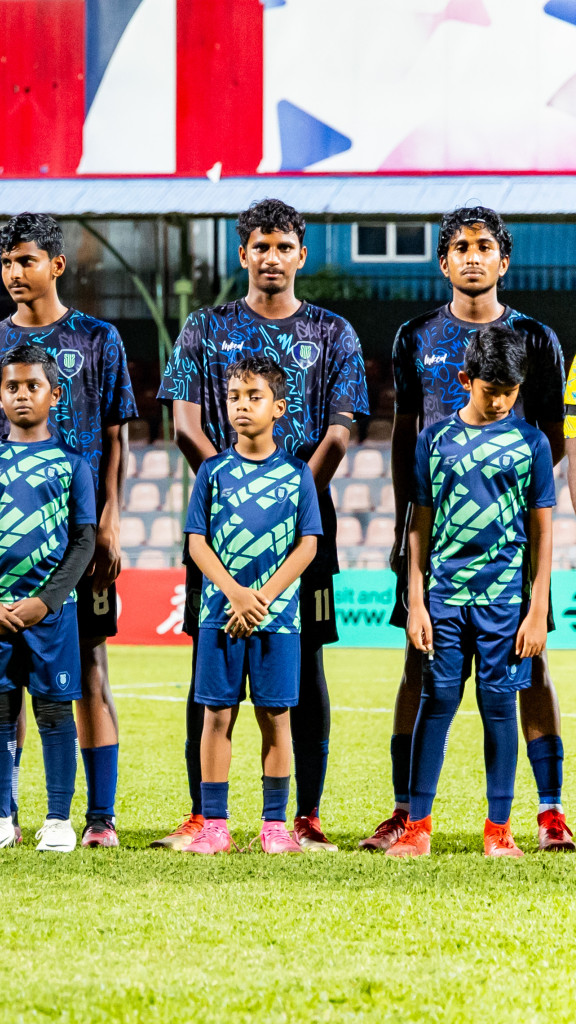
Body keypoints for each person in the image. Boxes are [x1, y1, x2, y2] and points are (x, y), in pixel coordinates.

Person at [154, 198, 368, 853]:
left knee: (305, 666)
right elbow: (185, 423)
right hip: (220, 525)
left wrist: (287, 493)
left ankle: (302, 817)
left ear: (300, 255)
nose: (271, 258)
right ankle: (203, 815)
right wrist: (234, 489)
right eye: (260, 247)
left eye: (283, 247)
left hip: (305, 516)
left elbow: (338, 432)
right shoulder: (203, 327)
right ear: (242, 254)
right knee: (208, 663)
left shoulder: (335, 334)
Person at [364, 207, 571, 852]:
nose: (473, 257)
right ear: (445, 261)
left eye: (485, 246)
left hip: (510, 538)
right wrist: (409, 528)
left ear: (504, 260)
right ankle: (407, 812)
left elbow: (548, 448)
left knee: (528, 668)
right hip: (435, 535)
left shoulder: (537, 340)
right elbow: (405, 438)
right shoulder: (413, 337)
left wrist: (500, 499)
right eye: (460, 247)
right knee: (416, 663)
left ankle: (549, 811)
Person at [0, 212, 137, 847]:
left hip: (76, 541)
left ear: (56, 265)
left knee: (86, 672)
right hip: (2, 549)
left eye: (26, 261)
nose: (14, 273)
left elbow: (116, 438)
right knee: (6, 679)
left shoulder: (98, 339)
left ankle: (96, 819)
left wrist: (109, 521)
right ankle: (5, 816)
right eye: (6, 263)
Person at [390, 325, 554, 859]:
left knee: (500, 706)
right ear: (465, 379)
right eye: (491, 392)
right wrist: (416, 600)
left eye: (511, 392)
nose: (502, 401)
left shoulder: (532, 442)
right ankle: (417, 827)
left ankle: (498, 830)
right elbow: (419, 525)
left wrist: (538, 606)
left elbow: (542, 531)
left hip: (505, 602)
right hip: (444, 599)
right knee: (436, 701)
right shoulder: (434, 441)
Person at [0, 345, 97, 852]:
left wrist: (49, 600)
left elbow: (84, 541)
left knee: (55, 713)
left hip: (50, 615)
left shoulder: (73, 465)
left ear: (54, 395)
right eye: (11, 387)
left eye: (32, 386)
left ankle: (58, 820)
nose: (21, 395)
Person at [179, 355, 321, 855]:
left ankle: (273, 825)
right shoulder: (213, 472)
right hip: (221, 616)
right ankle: (214, 825)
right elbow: (197, 543)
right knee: (216, 717)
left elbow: (308, 545)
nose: (242, 406)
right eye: (235, 397)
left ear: (278, 407)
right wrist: (235, 595)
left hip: (278, 620)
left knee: (276, 717)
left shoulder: (298, 474)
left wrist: (261, 598)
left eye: (254, 397)